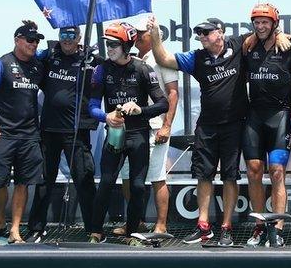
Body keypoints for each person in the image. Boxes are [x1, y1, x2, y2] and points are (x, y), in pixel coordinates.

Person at [150, 16, 250, 246]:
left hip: (234, 124)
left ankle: (226, 227)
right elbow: (163, 58)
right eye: (200, 33)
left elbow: (264, 34)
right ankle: (204, 227)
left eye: (207, 32)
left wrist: (282, 35)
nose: (202, 36)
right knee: (203, 174)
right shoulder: (196, 58)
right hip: (206, 125)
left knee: (229, 175)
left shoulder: (239, 45)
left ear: (221, 32)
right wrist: (155, 33)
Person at [88, 22, 169, 245]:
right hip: (114, 135)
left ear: (126, 45)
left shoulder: (143, 68)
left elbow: (163, 104)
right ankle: (96, 231)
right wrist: (107, 117)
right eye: (107, 44)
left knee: (137, 186)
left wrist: (140, 110)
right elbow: (92, 106)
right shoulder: (101, 69)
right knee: (105, 182)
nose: (110, 49)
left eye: (114, 44)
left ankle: (133, 232)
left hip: (138, 135)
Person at [26, 26, 101, 242]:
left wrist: (92, 56)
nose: (67, 40)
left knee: (84, 180)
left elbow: (112, 67)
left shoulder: (90, 60)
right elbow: (29, 57)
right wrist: (32, 30)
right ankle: (36, 229)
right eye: (63, 35)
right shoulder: (49, 56)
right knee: (43, 181)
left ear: (78, 38)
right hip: (48, 130)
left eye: (71, 36)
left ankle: (94, 230)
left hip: (76, 132)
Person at [0, 20, 45, 243]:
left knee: (24, 182)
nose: (34, 44)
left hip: (29, 135)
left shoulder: (38, 65)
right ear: (17, 40)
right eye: (30, 40)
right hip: (3, 133)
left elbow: (61, 49)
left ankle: (15, 229)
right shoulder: (2, 64)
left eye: (36, 41)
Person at [113, 18, 179, 235]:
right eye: (138, 32)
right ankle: (135, 222)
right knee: (127, 176)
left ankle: (161, 225)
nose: (140, 35)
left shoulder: (163, 57)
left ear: (155, 35)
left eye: (145, 32)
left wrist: (167, 126)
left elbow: (172, 93)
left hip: (154, 126)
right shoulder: (129, 58)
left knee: (157, 177)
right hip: (130, 128)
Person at [243, 4, 291, 247]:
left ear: (275, 23)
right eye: (256, 22)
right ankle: (259, 226)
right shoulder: (249, 46)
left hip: (279, 117)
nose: (260, 26)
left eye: (265, 22)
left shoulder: (290, 48)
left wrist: (287, 36)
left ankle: (277, 229)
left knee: (277, 172)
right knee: (254, 171)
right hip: (254, 117)